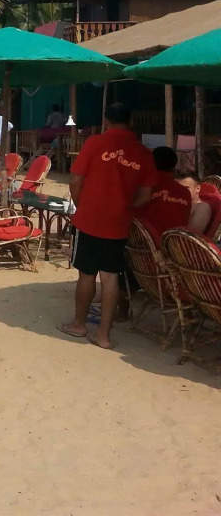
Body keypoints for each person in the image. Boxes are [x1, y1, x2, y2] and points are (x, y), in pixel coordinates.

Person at [58, 103, 155, 349]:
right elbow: (146, 195)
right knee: (110, 277)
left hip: (89, 219)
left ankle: (79, 325)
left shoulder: (95, 143)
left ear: (106, 121)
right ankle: (103, 335)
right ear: (131, 121)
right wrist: (125, 206)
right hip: (118, 222)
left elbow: (75, 180)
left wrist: (82, 205)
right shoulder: (143, 152)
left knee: (86, 274)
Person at [134, 147, 191, 239]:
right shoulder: (185, 192)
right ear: (173, 167)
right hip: (174, 244)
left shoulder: (139, 187)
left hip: (141, 243)